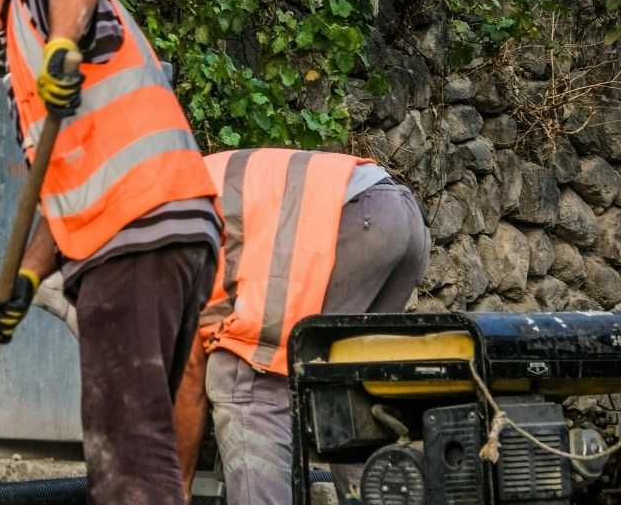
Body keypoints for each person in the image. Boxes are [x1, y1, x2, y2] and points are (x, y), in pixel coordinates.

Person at [0, 0, 222, 505]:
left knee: (128, 459)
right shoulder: (26, 71)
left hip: (134, 232)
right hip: (166, 229)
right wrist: (24, 281)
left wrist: (62, 42)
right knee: (136, 440)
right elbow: (58, 194)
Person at [172, 149, 431, 505]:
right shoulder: (180, 193)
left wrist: (175, 488)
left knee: (245, 381)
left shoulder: (154, 235)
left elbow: (188, 371)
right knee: (343, 389)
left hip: (348, 217)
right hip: (396, 214)